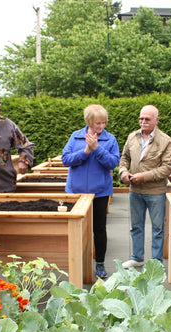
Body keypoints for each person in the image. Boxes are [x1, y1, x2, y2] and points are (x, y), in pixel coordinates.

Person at [62, 104, 120, 279]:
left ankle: (100, 263)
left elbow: (113, 163)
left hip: (100, 193)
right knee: (75, 229)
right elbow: (66, 159)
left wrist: (97, 149)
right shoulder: (76, 137)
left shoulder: (110, 140)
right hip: (76, 192)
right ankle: (75, 261)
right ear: (88, 122)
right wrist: (85, 151)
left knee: (99, 229)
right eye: (97, 123)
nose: (101, 126)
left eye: (103, 123)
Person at [118, 105, 171, 269]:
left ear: (156, 120)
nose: (143, 122)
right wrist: (123, 173)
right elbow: (124, 159)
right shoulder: (132, 137)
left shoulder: (166, 141)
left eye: (147, 119)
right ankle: (137, 257)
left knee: (157, 229)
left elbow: (167, 168)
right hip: (135, 191)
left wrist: (144, 177)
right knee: (136, 226)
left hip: (156, 192)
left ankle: (156, 263)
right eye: (141, 118)